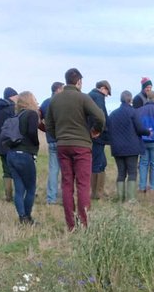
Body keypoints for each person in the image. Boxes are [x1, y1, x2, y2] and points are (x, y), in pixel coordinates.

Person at [44, 67, 107, 231]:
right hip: (82, 146)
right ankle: (84, 224)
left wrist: (58, 135)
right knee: (83, 184)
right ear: (79, 81)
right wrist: (96, 130)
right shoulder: (83, 98)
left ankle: (70, 225)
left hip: (63, 145)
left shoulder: (55, 100)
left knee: (66, 184)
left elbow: (48, 124)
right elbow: (100, 116)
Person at [5, 91, 42, 225]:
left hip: (11, 155)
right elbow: (32, 132)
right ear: (29, 100)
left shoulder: (16, 116)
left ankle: (21, 217)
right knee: (31, 188)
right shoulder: (31, 114)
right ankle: (28, 217)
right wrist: (36, 145)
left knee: (19, 189)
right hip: (25, 155)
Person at [106, 90, 146, 203]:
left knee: (121, 172)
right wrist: (148, 132)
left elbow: (108, 129)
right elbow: (140, 129)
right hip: (132, 147)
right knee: (132, 172)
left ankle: (120, 198)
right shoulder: (133, 112)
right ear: (130, 100)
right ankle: (131, 199)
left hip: (117, 148)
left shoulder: (113, 114)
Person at [0, 86, 18, 203]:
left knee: (6, 170)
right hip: (11, 143)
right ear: (12, 96)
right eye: (16, 96)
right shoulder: (12, 109)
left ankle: (8, 196)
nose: (18, 98)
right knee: (18, 170)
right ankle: (21, 193)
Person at [37, 81, 62, 205]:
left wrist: (45, 129)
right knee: (65, 170)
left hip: (51, 140)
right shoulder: (62, 103)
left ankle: (51, 198)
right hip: (63, 140)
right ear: (57, 89)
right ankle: (64, 196)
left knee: (53, 170)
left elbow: (38, 119)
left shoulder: (45, 103)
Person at [138, 89, 154, 197]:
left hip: (143, 141)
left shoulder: (140, 110)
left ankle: (142, 187)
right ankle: (153, 187)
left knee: (143, 164)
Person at [89, 80, 112, 201]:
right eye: (107, 92)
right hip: (97, 137)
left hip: (95, 136)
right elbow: (100, 116)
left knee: (102, 162)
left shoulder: (91, 96)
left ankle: (99, 191)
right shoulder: (98, 97)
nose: (107, 95)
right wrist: (98, 131)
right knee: (97, 163)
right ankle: (96, 193)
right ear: (103, 88)